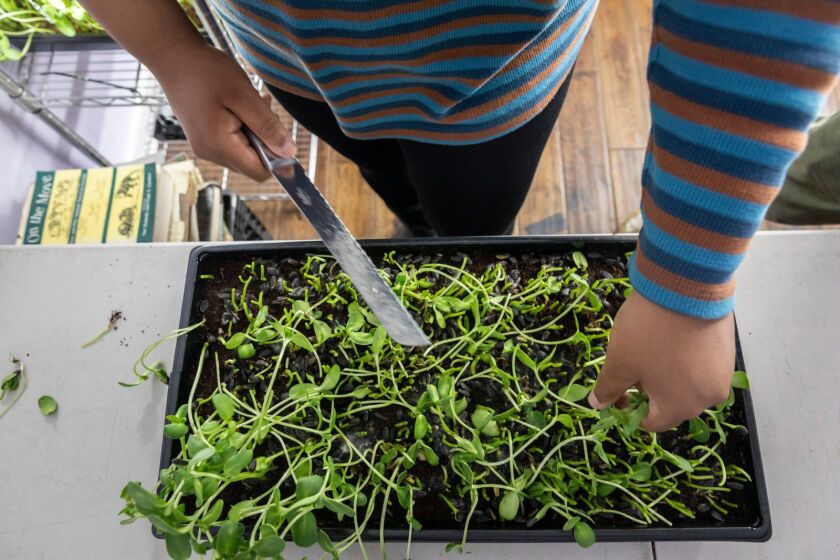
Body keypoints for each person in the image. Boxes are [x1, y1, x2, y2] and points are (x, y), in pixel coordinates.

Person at [81, 0, 840, 432]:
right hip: (295, 64)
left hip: (494, 79)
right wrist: (171, 51)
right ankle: (424, 225)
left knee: (474, 215)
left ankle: (455, 236)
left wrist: (687, 279)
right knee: (391, 180)